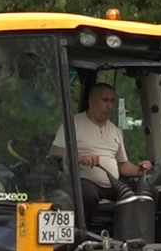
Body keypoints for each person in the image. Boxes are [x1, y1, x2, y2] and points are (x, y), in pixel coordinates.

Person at [55, 82, 153, 219]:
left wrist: (138, 170)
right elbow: (55, 152)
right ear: (91, 101)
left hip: (114, 184)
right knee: (88, 195)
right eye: (105, 100)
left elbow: (122, 165)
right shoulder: (73, 124)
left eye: (112, 101)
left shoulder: (115, 130)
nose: (110, 106)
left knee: (149, 191)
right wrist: (81, 158)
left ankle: (137, 233)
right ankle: (82, 235)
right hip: (85, 180)